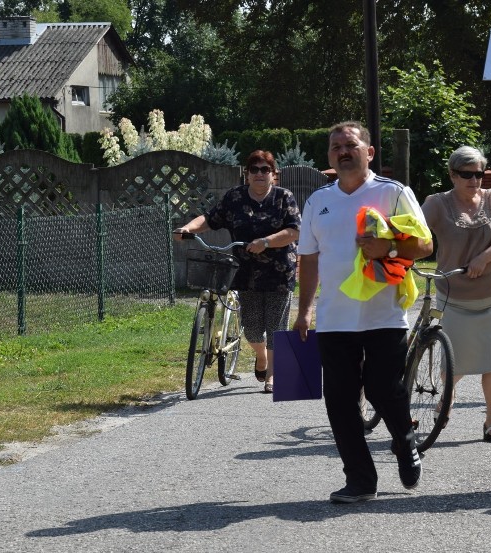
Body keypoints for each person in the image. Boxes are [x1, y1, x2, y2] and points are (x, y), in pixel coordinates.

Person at [293, 121, 433, 504]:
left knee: (382, 388)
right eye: (335, 146)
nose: (342, 151)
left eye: (351, 145)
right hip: (334, 318)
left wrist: (387, 249)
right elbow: (308, 259)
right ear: (329, 156)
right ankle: (360, 479)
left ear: (368, 152)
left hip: (384, 313)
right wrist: (304, 311)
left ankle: (405, 443)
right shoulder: (317, 201)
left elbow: (424, 245)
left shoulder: (393, 192)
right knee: (339, 399)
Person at [174, 150, 301, 394]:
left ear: (274, 174)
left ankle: (272, 375)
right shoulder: (235, 197)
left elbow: (294, 231)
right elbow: (211, 219)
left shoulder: (284, 197)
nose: (260, 174)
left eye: (266, 170)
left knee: (276, 326)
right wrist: (188, 228)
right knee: (252, 328)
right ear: (247, 174)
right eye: (255, 169)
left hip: (279, 271)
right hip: (245, 272)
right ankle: (261, 356)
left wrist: (266, 241)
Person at [421, 147, 491, 444]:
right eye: (467, 174)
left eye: (479, 174)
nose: (474, 179)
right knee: (455, 361)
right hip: (455, 295)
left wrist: (484, 258)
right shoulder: (437, 204)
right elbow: (415, 233)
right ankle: (447, 401)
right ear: (452, 175)